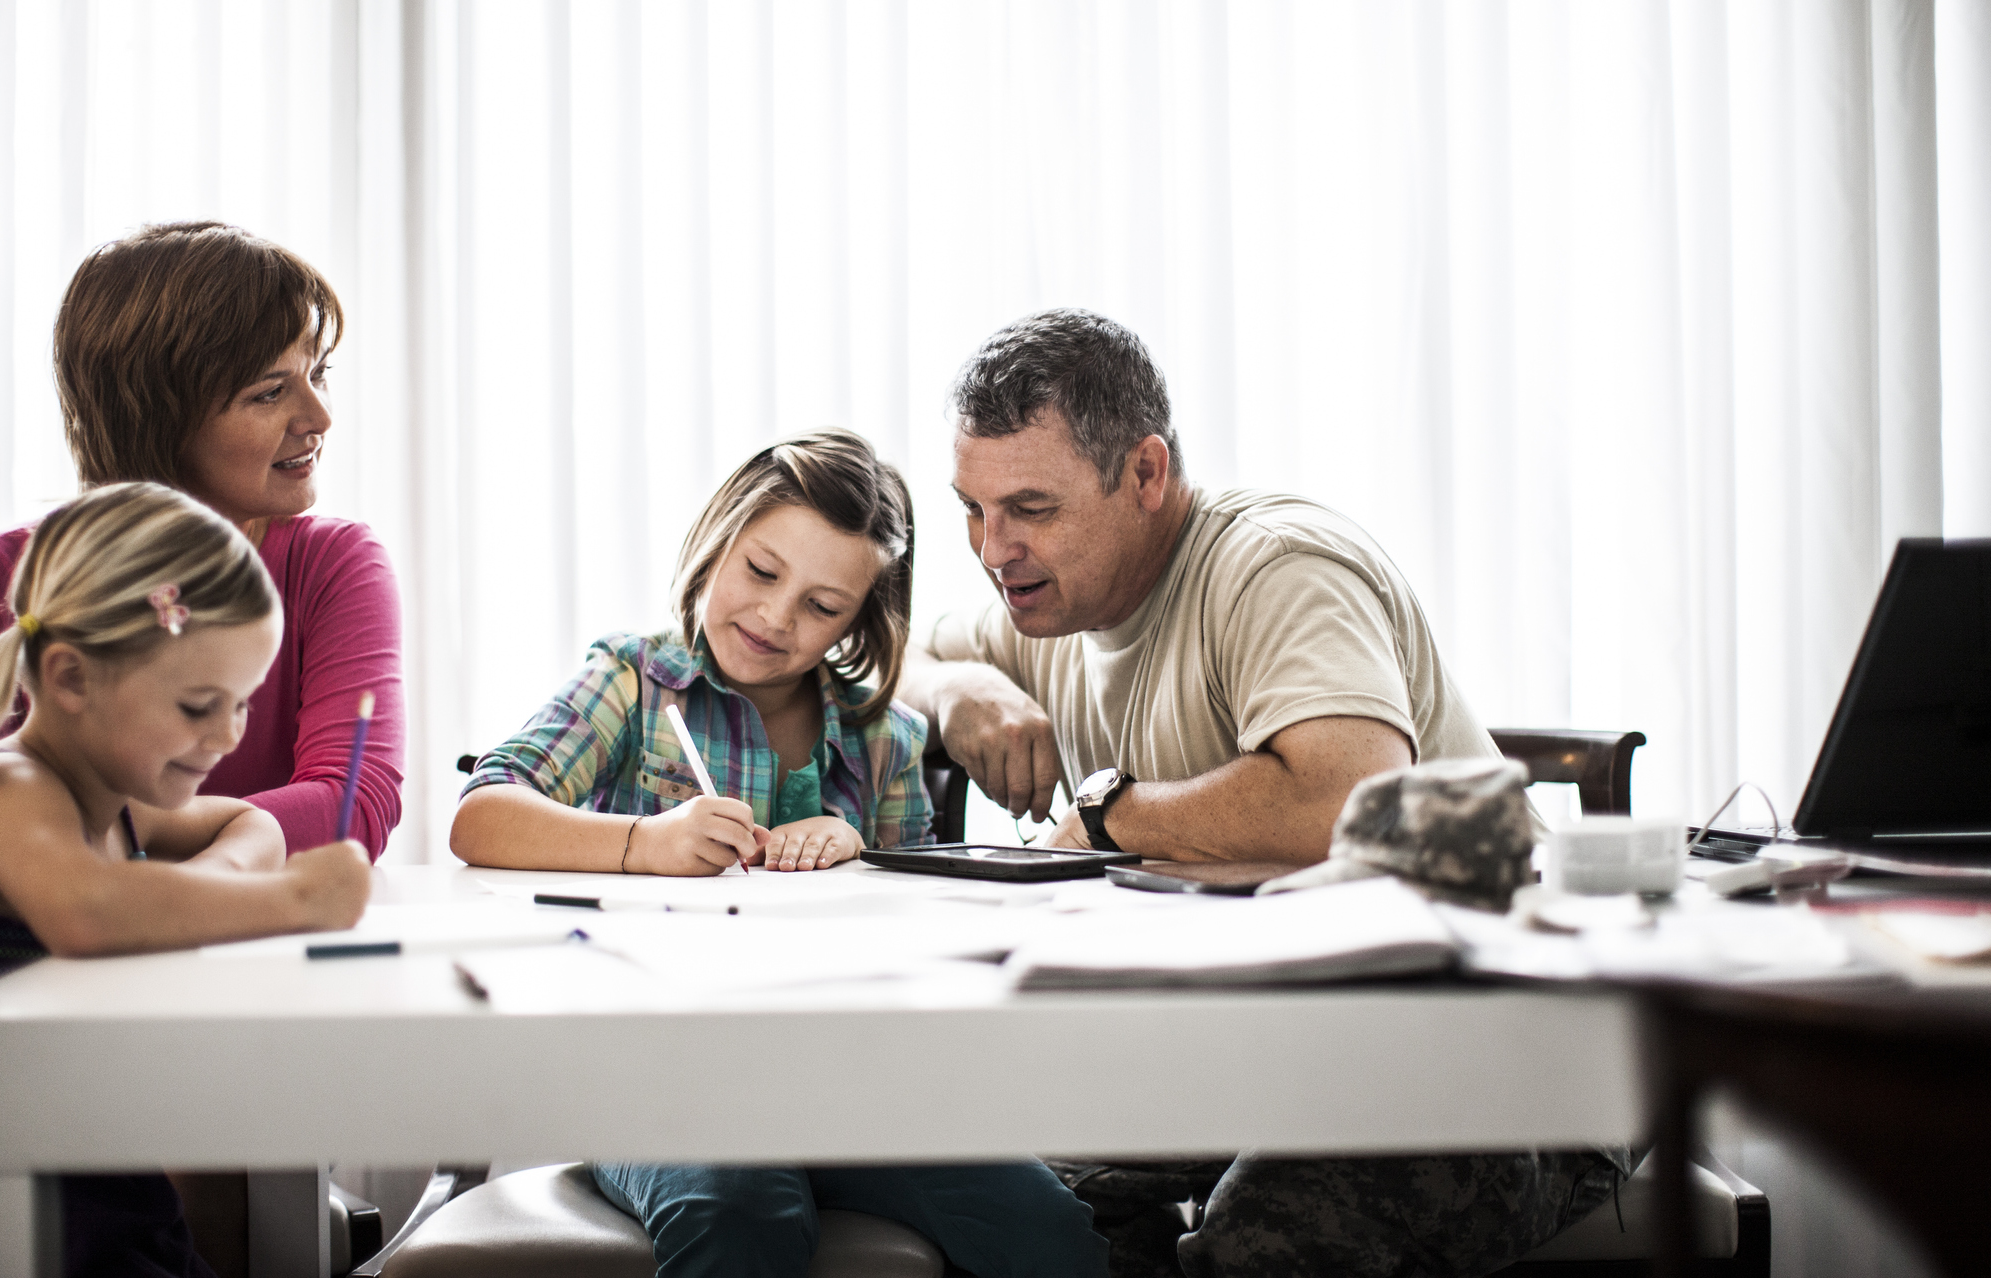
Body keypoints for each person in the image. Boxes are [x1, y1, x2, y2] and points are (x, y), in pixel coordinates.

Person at [899, 310, 1619, 1278]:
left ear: (1146, 475)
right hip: (1260, 1048)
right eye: (972, 508)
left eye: (1031, 508)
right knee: (994, 1195)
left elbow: (1344, 801)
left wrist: (1110, 816)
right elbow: (882, 652)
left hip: (1492, 1050)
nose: (993, 548)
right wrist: (957, 685)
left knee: (1262, 1248)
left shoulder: (1276, 565)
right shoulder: (1047, 605)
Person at [450, 429, 1106, 1278]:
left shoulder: (885, 737)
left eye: (822, 606)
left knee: (1041, 1227)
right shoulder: (633, 684)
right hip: (649, 1077)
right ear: (719, 538)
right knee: (741, 1212)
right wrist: (642, 844)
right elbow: (483, 816)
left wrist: (863, 856)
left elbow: (936, 949)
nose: (774, 618)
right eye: (761, 572)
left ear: (860, 619)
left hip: (843, 1082)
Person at [0, 483, 373, 1278]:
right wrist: (291, 901)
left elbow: (256, 825)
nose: (229, 734)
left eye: (241, 703)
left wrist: (213, 888)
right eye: (200, 703)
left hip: (69, 1149)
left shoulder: (110, 803)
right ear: (70, 678)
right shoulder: (2, 786)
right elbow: (85, 910)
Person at [0, 221, 404, 858]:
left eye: (319, 374)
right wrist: (222, 854)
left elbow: (355, 802)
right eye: (271, 391)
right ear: (157, 417)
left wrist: (104, 847)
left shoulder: (334, 564)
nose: (320, 418)